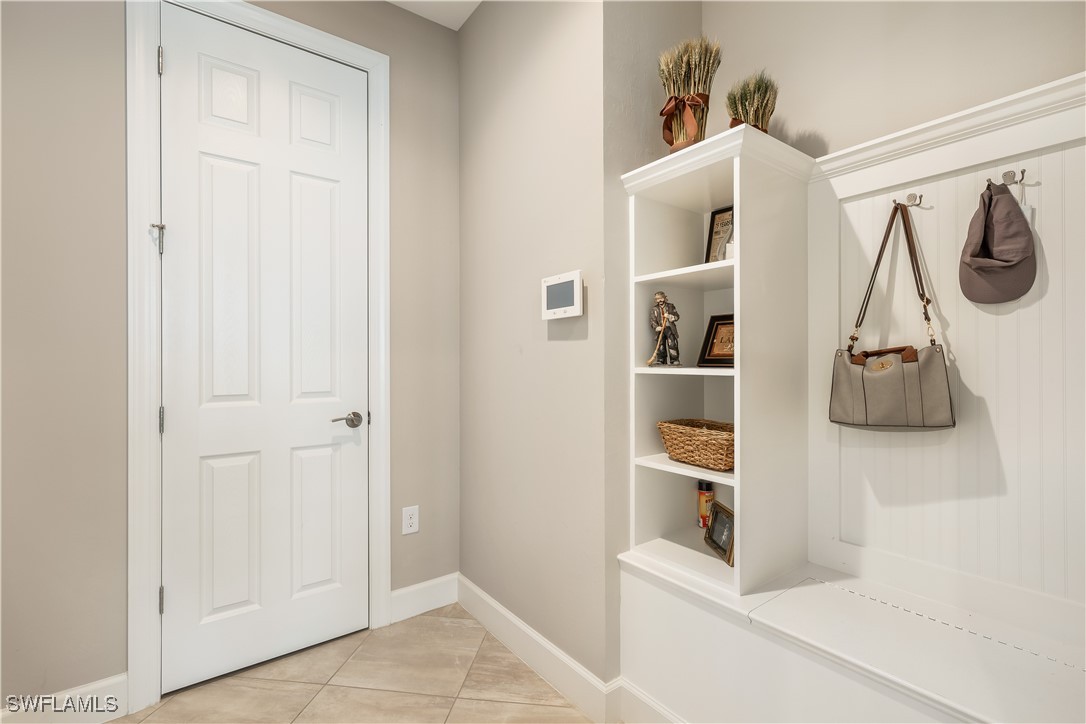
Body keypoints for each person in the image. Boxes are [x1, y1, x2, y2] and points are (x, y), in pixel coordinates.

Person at [649, 291, 680, 365]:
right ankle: (661, 360)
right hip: (660, 329)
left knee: (672, 343)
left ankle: (674, 360)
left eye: (661, 298)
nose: (659, 301)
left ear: (665, 298)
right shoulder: (654, 309)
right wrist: (656, 327)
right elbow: (652, 320)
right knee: (660, 344)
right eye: (657, 299)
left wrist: (670, 316)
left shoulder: (670, 306)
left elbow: (677, 316)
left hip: (669, 328)